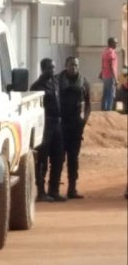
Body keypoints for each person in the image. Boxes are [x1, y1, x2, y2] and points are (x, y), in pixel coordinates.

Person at [30, 58, 64, 202]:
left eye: (54, 68)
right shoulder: (37, 86)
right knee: (43, 159)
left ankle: (54, 190)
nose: (53, 70)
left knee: (58, 158)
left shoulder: (55, 82)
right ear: (43, 69)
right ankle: (41, 192)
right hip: (44, 125)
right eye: (50, 68)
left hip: (57, 124)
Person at [58, 56, 91, 199]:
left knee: (73, 158)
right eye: (71, 65)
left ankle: (72, 188)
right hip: (60, 125)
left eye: (76, 65)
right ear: (66, 66)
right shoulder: (57, 80)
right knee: (58, 158)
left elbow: (88, 103)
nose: (74, 67)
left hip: (76, 125)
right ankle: (54, 190)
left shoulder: (84, 81)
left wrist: (84, 120)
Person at [100, 37, 118, 111]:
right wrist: (116, 79)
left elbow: (103, 64)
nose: (116, 44)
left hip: (105, 76)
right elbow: (112, 66)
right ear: (111, 43)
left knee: (105, 93)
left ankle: (103, 109)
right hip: (110, 76)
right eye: (115, 43)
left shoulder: (105, 51)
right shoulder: (112, 52)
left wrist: (101, 73)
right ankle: (108, 111)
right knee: (111, 94)